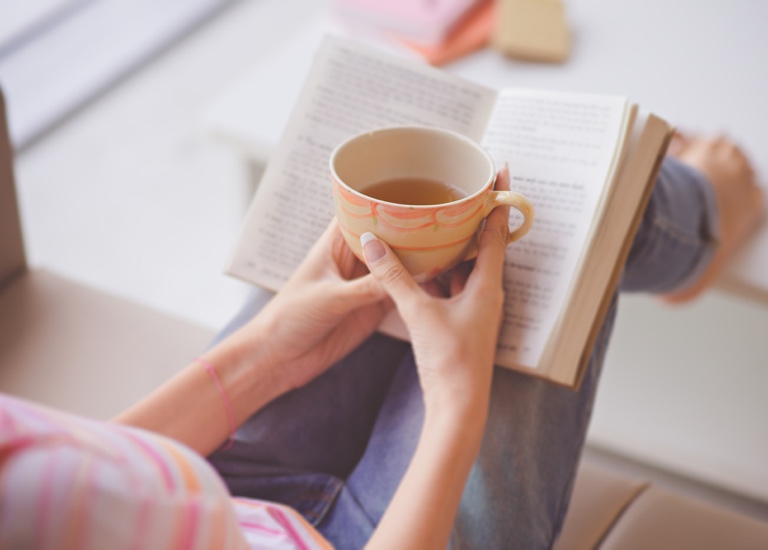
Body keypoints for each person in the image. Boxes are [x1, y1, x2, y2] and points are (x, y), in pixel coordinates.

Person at [0, 135, 763, 549]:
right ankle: (699, 225)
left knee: (463, 163)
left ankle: (683, 215)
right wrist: (456, 404)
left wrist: (267, 353)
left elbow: (85, 472)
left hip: (219, 495)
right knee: (555, 228)